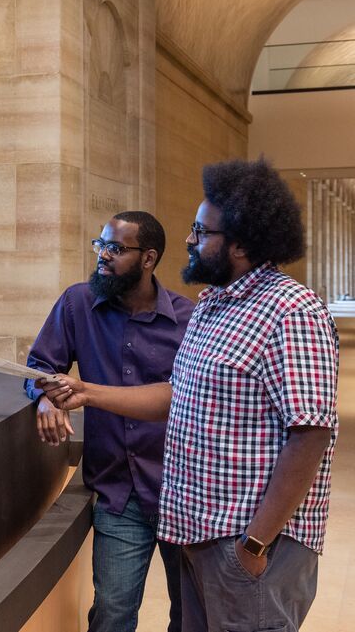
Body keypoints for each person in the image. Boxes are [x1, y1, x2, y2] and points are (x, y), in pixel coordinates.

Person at [39, 160, 339, 631]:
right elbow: (179, 395)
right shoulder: (211, 308)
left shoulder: (291, 310)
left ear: (239, 243)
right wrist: (88, 392)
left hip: (247, 544)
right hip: (198, 535)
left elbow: (311, 433)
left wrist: (255, 545)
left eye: (201, 231)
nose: (189, 240)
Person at [25, 210, 194, 632]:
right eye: (100, 244)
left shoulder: (188, 320)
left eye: (115, 249)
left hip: (183, 492)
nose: (102, 255)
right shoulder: (77, 303)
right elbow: (41, 365)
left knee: (193, 616)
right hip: (120, 494)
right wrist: (46, 398)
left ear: (149, 258)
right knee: (112, 615)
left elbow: (190, 399)